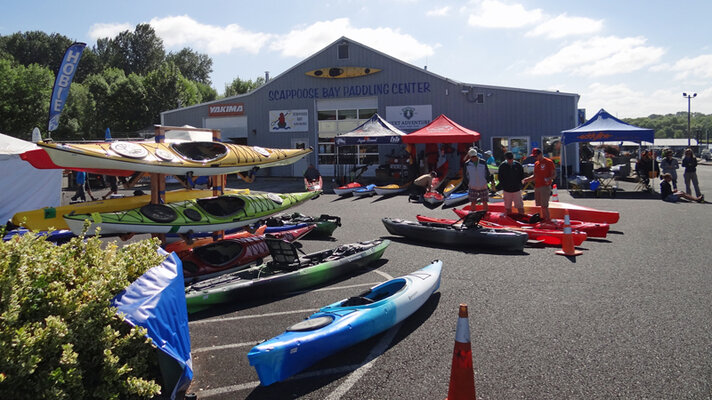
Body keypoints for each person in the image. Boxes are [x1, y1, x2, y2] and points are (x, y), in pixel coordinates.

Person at [522, 148, 556, 222]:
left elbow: (554, 175)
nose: (535, 158)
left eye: (536, 156)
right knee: (541, 206)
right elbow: (534, 176)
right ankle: (544, 219)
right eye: (534, 156)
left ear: (540, 154)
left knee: (544, 205)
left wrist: (548, 178)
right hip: (537, 186)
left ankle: (547, 220)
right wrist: (526, 179)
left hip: (545, 186)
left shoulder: (549, 162)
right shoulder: (536, 163)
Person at [465, 148, 493, 213]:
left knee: (485, 201)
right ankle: (472, 214)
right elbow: (465, 175)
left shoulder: (483, 162)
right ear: (469, 157)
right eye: (472, 157)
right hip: (472, 186)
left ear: (476, 155)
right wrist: (468, 183)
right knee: (473, 202)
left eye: (474, 156)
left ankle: (485, 214)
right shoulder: (467, 164)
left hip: (483, 185)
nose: (473, 158)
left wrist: (487, 181)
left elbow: (487, 172)